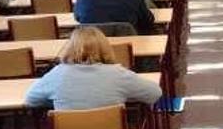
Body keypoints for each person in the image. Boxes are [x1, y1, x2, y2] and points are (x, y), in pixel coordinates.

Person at [25, 27, 162, 110]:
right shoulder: (118, 74)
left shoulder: (57, 74)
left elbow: (31, 100)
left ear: (69, 48)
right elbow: (155, 94)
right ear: (106, 48)